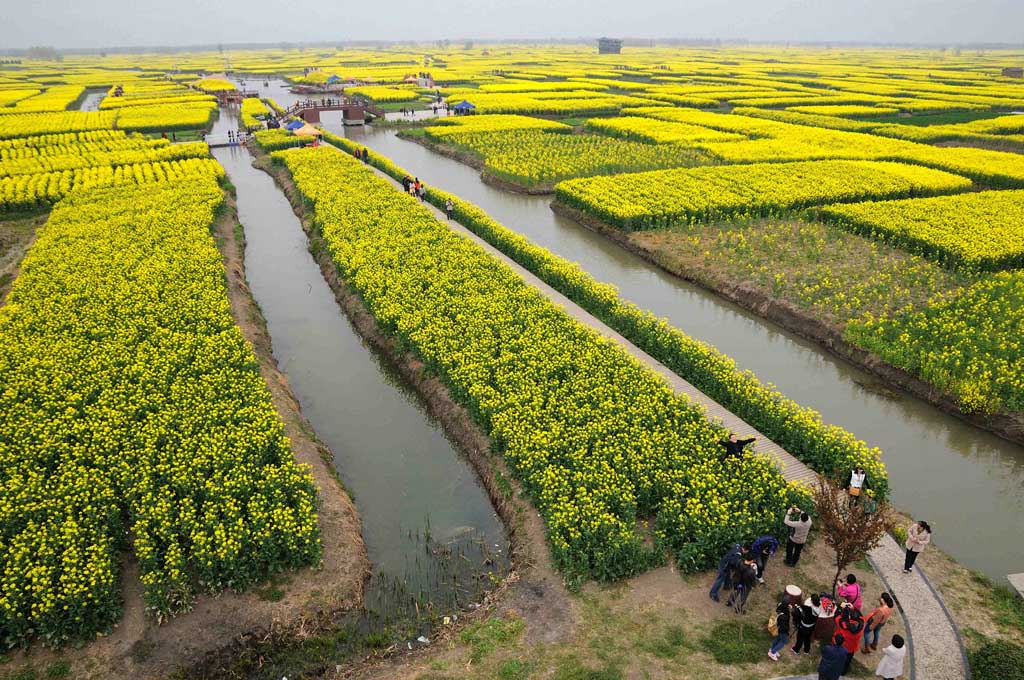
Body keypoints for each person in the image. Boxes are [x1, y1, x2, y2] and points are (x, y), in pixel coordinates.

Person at [835, 603, 865, 676]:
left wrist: (840, 606)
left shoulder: (842, 625)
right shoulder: (861, 626)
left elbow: (836, 616)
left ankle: (836, 668)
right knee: (847, 661)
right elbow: (861, 617)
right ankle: (843, 672)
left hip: (841, 646)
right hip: (851, 648)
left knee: (838, 659)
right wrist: (854, 608)